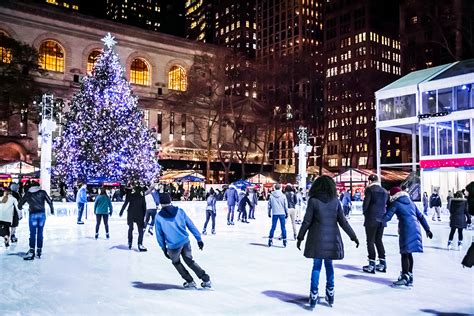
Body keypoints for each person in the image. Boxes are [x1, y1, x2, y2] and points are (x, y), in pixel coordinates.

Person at [297, 176, 359, 308]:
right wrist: (353, 236)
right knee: (329, 266)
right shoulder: (335, 201)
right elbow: (343, 222)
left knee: (316, 266)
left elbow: (307, 221)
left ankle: (314, 294)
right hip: (331, 240)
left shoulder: (313, 201)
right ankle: (330, 292)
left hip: (317, 240)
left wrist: (300, 237)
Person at [155, 193, 212, 289]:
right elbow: (191, 225)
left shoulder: (159, 217)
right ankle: (206, 279)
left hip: (173, 246)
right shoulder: (180, 211)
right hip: (185, 241)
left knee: (176, 262)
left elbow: (159, 235)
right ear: (170, 201)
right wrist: (199, 239)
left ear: (160, 203)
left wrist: (163, 248)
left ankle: (190, 281)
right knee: (189, 261)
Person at [383, 187, 433, 287]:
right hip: (416, 228)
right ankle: (409, 275)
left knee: (404, 253)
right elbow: (421, 216)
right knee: (408, 253)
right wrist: (427, 230)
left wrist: (378, 219)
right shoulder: (411, 202)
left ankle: (405, 276)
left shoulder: (396, 203)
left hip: (406, 229)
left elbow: (387, 217)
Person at [18, 181, 54, 260]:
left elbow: (20, 203)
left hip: (32, 214)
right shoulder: (42, 192)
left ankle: (32, 250)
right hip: (41, 215)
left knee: (32, 233)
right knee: (40, 232)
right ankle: (39, 250)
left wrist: (20, 207)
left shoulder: (28, 193)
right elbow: (49, 201)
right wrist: (52, 210)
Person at [362, 175, 389, 274]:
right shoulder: (385, 191)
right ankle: (382, 263)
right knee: (378, 240)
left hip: (371, 219)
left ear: (370, 181)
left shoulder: (370, 190)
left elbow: (365, 205)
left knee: (370, 241)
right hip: (382, 220)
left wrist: (365, 213)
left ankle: (371, 264)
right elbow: (388, 205)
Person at [119, 186, 147, 252]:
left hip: (131, 214)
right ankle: (140, 244)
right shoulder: (142, 197)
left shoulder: (130, 195)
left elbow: (125, 204)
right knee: (140, 230)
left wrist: (121, 211)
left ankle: (130, 242)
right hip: (139, 215)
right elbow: (144, 207)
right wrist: (144, 216)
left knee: (130, 228)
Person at [267, 183, 288, 247]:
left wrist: (269, 212)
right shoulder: (283, 196)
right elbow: (285, 205)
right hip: (282, 213)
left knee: (273, 227)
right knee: (283, 227)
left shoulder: (271, 196)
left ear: (274, 188)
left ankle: (270, 239)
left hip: (275, 213)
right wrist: (286, 213)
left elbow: (269, 205)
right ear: (280, 188)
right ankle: (284, 240)